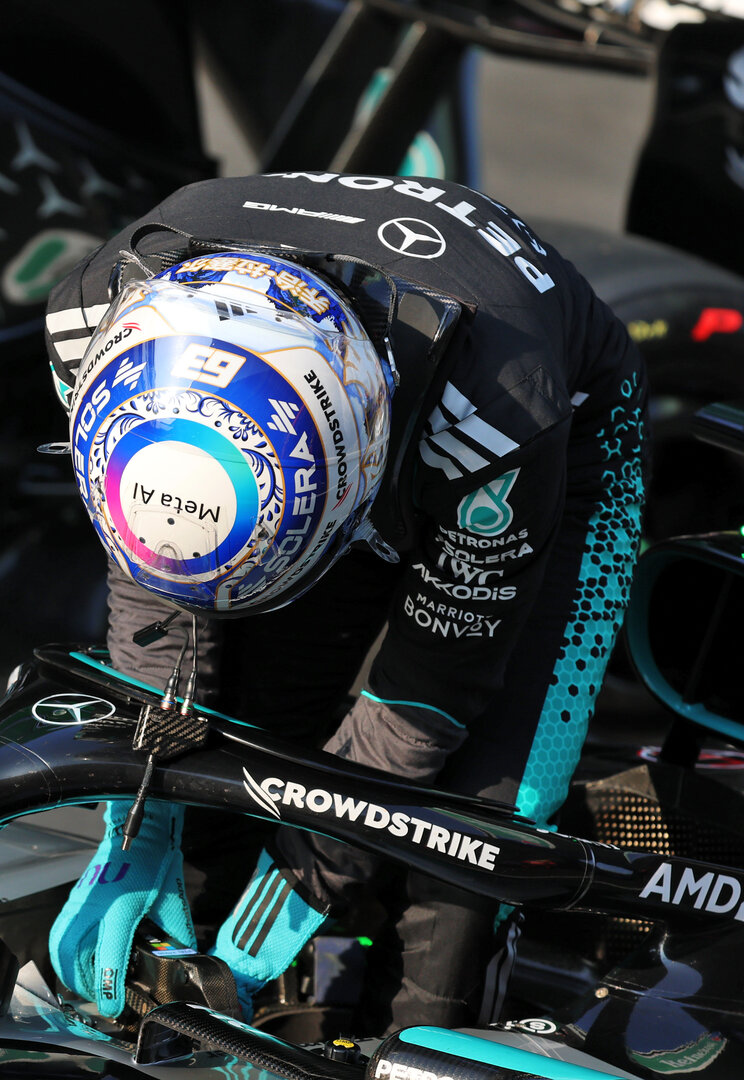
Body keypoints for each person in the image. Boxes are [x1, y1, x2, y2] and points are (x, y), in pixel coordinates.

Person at [40, 172, 644, 1033]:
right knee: (242, 747)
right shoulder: (90, 328)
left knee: (473, 827)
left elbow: (422, 702)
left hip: (548, 438)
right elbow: (157, 591)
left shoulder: (501, 418)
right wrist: (141, 806)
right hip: (336, 436)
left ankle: (420, 1026)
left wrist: (295, 891)